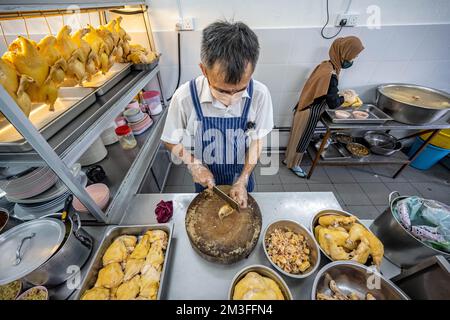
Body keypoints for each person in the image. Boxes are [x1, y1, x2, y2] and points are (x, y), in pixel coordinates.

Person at [161, 21, 274, 208]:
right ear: (204, 70)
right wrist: (193, 164)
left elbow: (258, 140)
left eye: (240, 90)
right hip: (205, 180)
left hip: (242, 175)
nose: (231, 100)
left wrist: (243, 178)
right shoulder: (185, 97)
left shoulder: (260, 95)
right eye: (222, 90)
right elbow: (169, 139)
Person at [284, 36, 364, 177]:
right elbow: (333, 103)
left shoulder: (325, 65)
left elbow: (324, 91)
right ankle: (294, 164)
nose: (352, 60)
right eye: (353, 56)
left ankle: (288, 160)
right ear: (344, 53)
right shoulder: (330, 74)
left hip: (302, 107)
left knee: (296, 138)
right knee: (302, 141)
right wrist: (345, 97)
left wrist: (338, 94)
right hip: (310, 112)